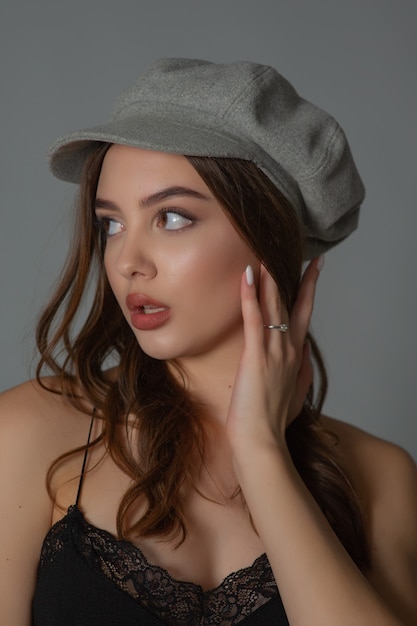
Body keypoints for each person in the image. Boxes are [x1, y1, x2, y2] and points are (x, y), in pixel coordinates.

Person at [0, 58, 416, 626]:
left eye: (171, 218)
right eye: (112, 224)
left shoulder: (382, 476)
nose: (127, 262)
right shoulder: (28, 432)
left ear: (269, 236)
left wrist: (261, 452)